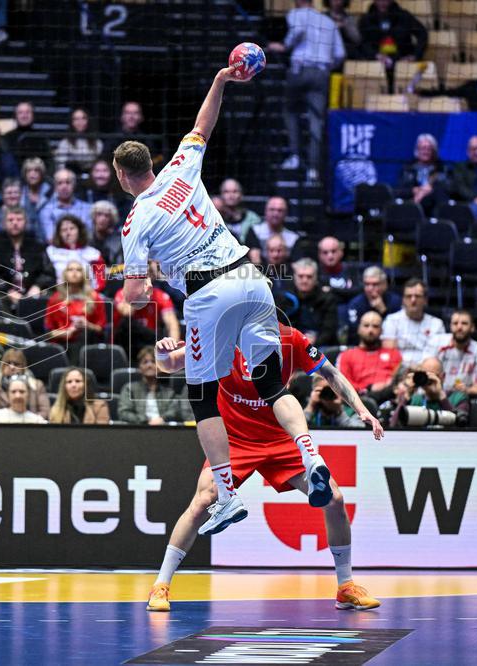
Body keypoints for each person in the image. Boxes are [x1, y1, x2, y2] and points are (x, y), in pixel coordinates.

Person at [115, 66, 338, 534]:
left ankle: (227, 495)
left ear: (121, 174)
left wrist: (147, 274)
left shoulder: (136, 221)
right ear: (151, 162)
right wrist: (218, 79)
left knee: (202, 396)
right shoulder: (180, 167)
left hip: (207, 293)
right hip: (252, 277)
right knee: (271, 384)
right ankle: (311, 456)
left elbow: (135, 297)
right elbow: (202, 126)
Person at [147, 326, 382, 613]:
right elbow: (170, 364)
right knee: (203, 501)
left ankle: (346, 587)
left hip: (279, 437)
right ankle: (161, 585)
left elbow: (330, 373)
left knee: (333, 499)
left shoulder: (291, 339)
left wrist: (361, 410)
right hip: (233, 439)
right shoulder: (222, 335)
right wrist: (161, 352)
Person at [268, 0, 344, 182]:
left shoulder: (296, 14)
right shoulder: (329, 22)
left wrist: (285, 46)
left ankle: (295, 156)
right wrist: (325, 67)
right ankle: (313, 169)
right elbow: (340, 54)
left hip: (300, 69)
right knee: (316, 120)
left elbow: (298, 30)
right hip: (322, 73)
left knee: (290, 110)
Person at [0, 207, 56, 302]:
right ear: (4, 223)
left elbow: (49, 273)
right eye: (10, 220)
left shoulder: (37, 245)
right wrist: (7, 291)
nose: (15, 223)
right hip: (3, 296)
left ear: (26, 222)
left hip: (34, 294)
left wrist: (37, 286)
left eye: (19, 219)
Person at [112, 262, 180, 361]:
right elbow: (127, 312)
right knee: (127, 324)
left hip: (150, 342)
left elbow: (172, 324)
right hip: (128, 342)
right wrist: (141, 295)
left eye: (149, 274)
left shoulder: (161, 296)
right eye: (144, 274)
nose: (146, 278)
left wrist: (173, 348)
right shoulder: (123, 293)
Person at [389, 356, 469, 428]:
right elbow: (394, 426)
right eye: (426, 376)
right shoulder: (415, 400)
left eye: (434, 376)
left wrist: (441, 396)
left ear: (443, 377)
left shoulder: (458, 397)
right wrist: (407, 396)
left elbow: (460, 426)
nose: (429, 380)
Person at [381, 277, 445, 366]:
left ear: (425, 300)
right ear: (403, 300)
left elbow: (438, 354)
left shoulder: (436, 324)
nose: (413, 300)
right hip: (399, 370)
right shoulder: (392, 320)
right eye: (408, 296)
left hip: (427, 370)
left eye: (417, 296)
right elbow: (389, 353)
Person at [44, 260, 106, 351]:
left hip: (87, 342)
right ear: (65, 274)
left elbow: (101, 330)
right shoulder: (55, 298)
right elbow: (48, 331)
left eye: (78, 270)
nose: (74, 272)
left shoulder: (95, 298)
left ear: (83, 274)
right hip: (61, 343)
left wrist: (87, 325)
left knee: (84, 335)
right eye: (70, 269)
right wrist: (65, 333)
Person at [117, 347, 190, 425]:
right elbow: (124, 412)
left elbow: (175, 411)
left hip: (164, 429)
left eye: (153, 362)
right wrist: (146, 421)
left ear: (159, 367)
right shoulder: (129, 389)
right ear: (140, 367)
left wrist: (162, 419)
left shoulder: (169, 392)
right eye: (145, 362)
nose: (149, 365)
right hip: (138, 428)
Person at [337, 310, 402, 395]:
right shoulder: (347, 355)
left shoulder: (394, 354)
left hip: (389, 397)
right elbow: (344, 384)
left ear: (381, 330)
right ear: (359, 329)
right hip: (360, 399)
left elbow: (399, 380)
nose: (370, 330)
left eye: (375, 326)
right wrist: (367, 389)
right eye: (366, 325)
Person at [428, 309, 477, 397]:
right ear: (450, 326)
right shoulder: (437, 343)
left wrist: (467, 390)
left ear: (472, 327)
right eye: (455, 323)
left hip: (463, 398)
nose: (459, 327)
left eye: (464, 323)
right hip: (436, 395)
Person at [277, 258, 338, 346]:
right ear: (294, 276)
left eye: (309, 277)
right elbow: (280, 327)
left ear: (316, 278)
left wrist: (313, 343)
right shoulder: (284, 299)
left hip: (320, 346)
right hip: (292, 344)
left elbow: (329, 330)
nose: (304, 281)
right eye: (300, 276)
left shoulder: (327, 299)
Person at [0, 348, 50, 419]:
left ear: (23, 367)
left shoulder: (37, 386)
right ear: (2, 367)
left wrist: (28, 422)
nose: (12, 367)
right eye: (8, 363)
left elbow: (45, 412)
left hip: (32, 427)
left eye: (16, 364)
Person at [357, 0, 427, 68]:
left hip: (403, 64)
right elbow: (363, 43)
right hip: (375, 65)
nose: (383, 2)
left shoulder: (404, 16)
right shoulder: (366, 19)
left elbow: (422, 34)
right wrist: (375, 55)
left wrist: (414, 56)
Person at [342, 265, 400, 345]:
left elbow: (398, 332)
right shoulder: (355, 304)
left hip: (388, 347)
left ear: (384, 285)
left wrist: (384, 312)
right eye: (367, 284)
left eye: (375, 284)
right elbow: (353, 335)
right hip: (361, 347)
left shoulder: (395, 302)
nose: (370, 289)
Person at [45, 215, 105, 291]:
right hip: (59, 295)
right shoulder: (50, 252)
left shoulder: (94, 253)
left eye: (72, 228)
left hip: (88, 296)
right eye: (64, 230)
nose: (68, 233)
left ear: (79, 230)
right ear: (59, 234)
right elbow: (46, 277)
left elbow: (100, 281)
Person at [396, 133, 448, 215]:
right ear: (417, 150)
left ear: (434, 151)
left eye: (429, 149)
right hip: (411, 203)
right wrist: (413, 190)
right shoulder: (408, 168)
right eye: (423, 148)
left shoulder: (441, 168)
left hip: (433, 204)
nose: (425, 152)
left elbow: (445, 188)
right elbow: (400, 191)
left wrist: (424, 192)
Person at [244, 197, 298, 265]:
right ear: (265, 211)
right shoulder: (254, 231)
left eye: (280, 210)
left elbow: (296, 265)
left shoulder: (293, 238)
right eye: (272, 209)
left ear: (286, 213)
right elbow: (254, 261)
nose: (275, 214)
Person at [54, 108, 103, 175]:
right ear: (72, 122)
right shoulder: (65, 143)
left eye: (83, 118)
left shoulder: (97, 143)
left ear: (88, 120)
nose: (80, 122)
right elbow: (60, 166)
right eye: (76, 119)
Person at [3, 101, 50, 166]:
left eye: (27, 112)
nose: (24, 116)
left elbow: (49, 162)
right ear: (15, 116)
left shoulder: (41, 137)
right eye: (20, 113)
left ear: (33, 115)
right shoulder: (6, 138)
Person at [317, 236, 359, 301]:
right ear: (319, 255)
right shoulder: (315, 274)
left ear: (341, 252)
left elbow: (358, 291)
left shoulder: (352, 270)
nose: (330, 256)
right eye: (325, 252)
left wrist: (331, 290)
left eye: (333, 251)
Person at [20, 157, 51, 223]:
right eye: (29, 171)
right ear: (25, 175)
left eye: (36, 170)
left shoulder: (51, 192)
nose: (32, 174)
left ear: (42, 173)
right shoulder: (19, 193)